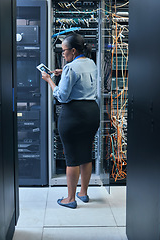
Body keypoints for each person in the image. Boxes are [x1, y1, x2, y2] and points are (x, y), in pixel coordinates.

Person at [41, 33, 100, 209]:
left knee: (72, 157)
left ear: (73, 51)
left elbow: (62, 96)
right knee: (85, 153)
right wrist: (63, 73)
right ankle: (83, 193)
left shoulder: (70, 68)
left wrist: (50, 80)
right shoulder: (91, 63)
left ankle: (70, 198)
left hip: (73, 115)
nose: (63, 55)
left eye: (64, 51)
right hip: (91, 113)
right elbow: (82, 80)